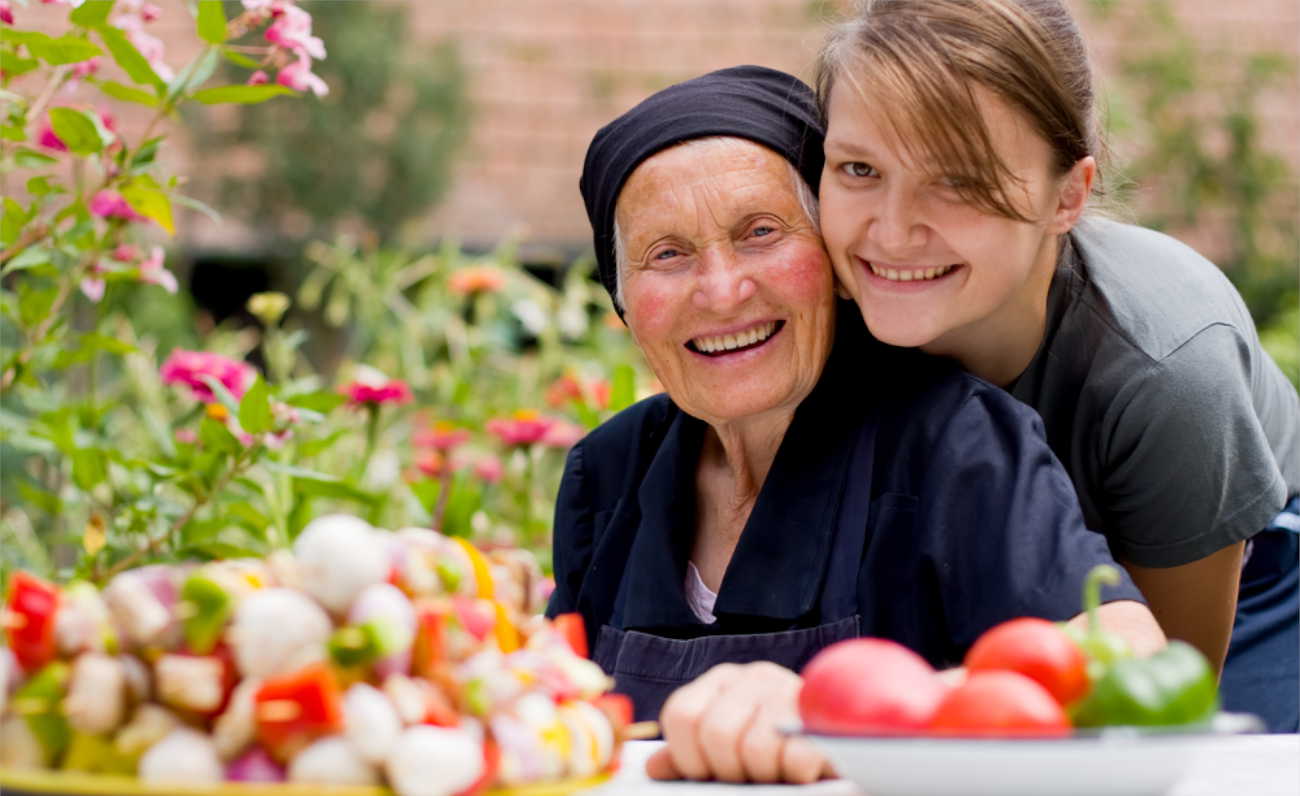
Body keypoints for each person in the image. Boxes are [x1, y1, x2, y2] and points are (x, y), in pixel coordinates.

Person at [548, 64, 1165, 784]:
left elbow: (1128, 655)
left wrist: (855, 709)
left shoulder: (950, 439)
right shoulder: (609, 472)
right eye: (668, 255)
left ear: (835, 260)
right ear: (623, 303)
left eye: (760, 232)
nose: (721, 292)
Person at [814, 0, 1300, 732]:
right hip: (1005, 568)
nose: (891, 230)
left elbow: (1158, 690)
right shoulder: (824, 303)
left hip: (1245, 578)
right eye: (858, 168)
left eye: (958, 181)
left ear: (1067, 195)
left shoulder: (1166, 369)